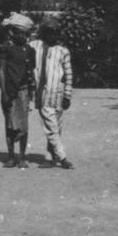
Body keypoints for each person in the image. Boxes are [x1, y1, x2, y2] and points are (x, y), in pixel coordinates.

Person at [31, 22, 74, 169]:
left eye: (55, 33)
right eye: (49, 33)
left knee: (57, 128)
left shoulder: (63, 51)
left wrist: (67, 95)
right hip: (43, 94)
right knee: (52, 128)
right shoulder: (35, 46)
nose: (52, 36)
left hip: (59, 95)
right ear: (43, 34)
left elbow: (68, 75)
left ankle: (50, 159)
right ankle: (62, 158)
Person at [0, 12, 36, 169]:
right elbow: (1, 70)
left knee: (23, 125)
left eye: (25, 34)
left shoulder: (29, 51)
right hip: (9, 91)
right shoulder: (6, 49)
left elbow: (31, 72)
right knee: (9, 124)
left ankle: (21, 157)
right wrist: (4, 92)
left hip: (24, 91)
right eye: (18, 33)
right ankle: (11, 156)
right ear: (12, 33)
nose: (22, 36)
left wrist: (32, 92)